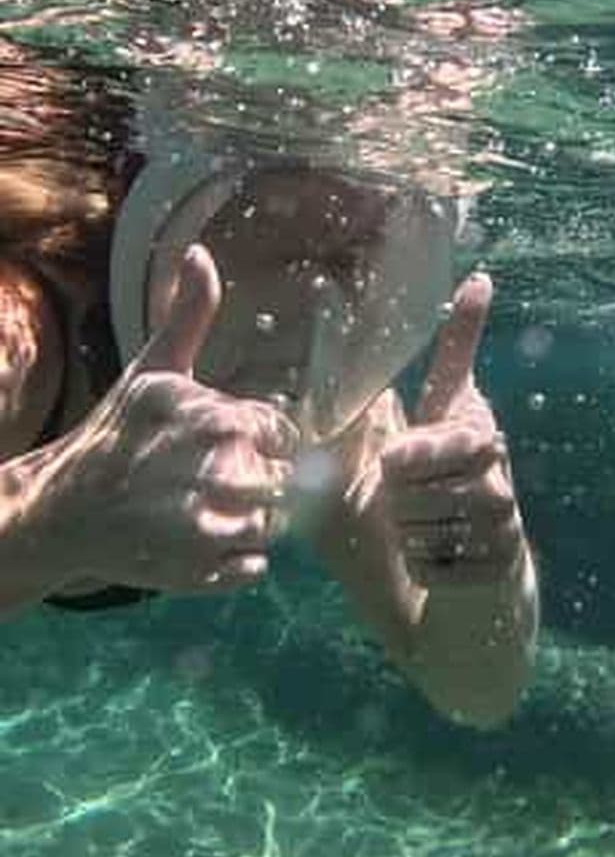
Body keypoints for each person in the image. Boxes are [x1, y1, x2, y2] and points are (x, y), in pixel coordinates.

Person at [0, 45, 538, 729]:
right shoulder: (28, 330)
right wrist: (53, 518)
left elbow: (473, 690)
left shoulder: (343, 421)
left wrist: (488, 566)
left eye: (353, 266)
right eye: (296, 248)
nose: (318, 310)